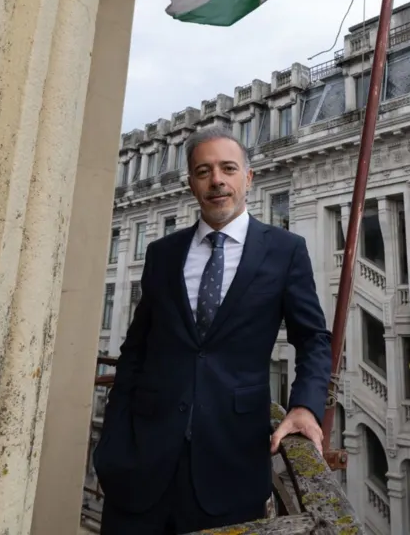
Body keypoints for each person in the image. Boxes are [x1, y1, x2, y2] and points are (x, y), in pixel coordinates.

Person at [94, 126, 332, 534]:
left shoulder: (285, 250)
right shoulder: (162, 254)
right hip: (140, 465)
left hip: (231, 463)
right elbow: (137, 347)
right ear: (191, 184)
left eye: (227, 168)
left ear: (248, 178)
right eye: (203, 171)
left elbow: (312, 338)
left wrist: (305, 406)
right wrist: (115, 439)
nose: (216, 180)